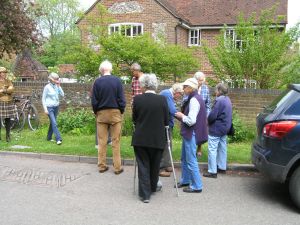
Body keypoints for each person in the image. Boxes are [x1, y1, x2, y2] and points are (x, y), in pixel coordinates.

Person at [131, 73, 169, 203]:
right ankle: (152, 187)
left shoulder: (137, 99)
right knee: (155, 165)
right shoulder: (162, 99)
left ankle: (145, 195)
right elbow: (166, 121)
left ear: (143, 86)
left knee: (143, 165)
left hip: (141, 138)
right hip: (157, 139)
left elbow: (134, 119)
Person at [91, 60, 126, 175]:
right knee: (116, 141)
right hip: (115, 113)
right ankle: (117, 167)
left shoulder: (97, 82)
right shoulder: (117, 81)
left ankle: (102, 166)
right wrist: (121, 110)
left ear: (101, 70)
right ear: (110, 69)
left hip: (101, 113)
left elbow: (94, 100)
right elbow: (121, 99)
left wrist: (96, 111)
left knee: (102, 141)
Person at [175, 78, 208, 193]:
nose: (183, 89)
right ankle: (186, 180)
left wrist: (181, 116)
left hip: (191, 133)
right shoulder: (195, 98)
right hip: (189, 133)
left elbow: (191, 121)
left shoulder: (194, 100)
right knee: (184, 158)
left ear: (191, 88)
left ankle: (197, 186)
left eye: (185, 86)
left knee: (191, 160)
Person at [203, 83, 232, 178]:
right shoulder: (228, 99)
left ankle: (212, 171)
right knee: (222, 148)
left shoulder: (219, 101)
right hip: (225, 128)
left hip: (217, 128)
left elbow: (212, 116)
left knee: (212, 149)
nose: (215, 92)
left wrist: (207, 121)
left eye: (216, 90)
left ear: (219, 91)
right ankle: (222, 167)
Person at [159, 83, 183, 177]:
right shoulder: (166, 94)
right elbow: (172, 110)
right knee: (165, 145)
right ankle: (161, 168)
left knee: (168, 144)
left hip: (167, 123)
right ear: (176, 92)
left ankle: (167, 164)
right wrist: (184, 119)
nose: (180, 97)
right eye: (180, 94)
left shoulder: (168, 94)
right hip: (164, 124)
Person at [42, 72, 64, 145]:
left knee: (52, 122)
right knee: (54, 123)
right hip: (49, 107)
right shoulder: (47, 87)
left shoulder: (56, 86)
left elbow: (62, 94)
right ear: (51, 79)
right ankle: (58, 139)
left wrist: (59, 86)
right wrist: (45, 109)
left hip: (56, 107)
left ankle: (49, 137)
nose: (57, 80)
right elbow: (43, 99)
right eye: (55, 79)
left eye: (57, 79)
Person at [193, 71, 211, 157]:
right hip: (192, 113)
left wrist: (207, 116)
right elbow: (185, 101)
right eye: (200, 80)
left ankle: (199, 148)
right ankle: (192, 148)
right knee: (192, 132)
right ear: (195, 80)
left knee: (201, 132)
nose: (202, 82)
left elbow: (208, 104)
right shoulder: (191, 87)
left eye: (202, 80)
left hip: (202, 115)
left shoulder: (205, 89)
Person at [0, 67, 17, 142]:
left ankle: (8, 136)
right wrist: (7, 91)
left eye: (5, 73)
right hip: (1, 102)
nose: (4, 74)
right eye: (3, 73)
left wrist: (4, 90)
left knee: (8, 120)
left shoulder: (8, 81)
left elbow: (12, 89)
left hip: (9, 102)